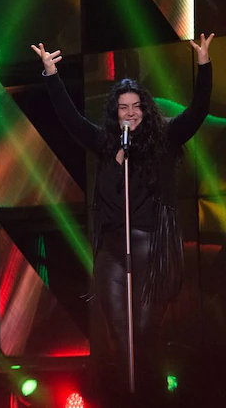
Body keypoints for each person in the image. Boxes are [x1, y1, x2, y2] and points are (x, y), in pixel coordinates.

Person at [31, 34, 213, 406]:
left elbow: (197, 111)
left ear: (145, 110)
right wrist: (51, 75)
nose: (129, 113)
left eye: (135, 107)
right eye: (122, 107)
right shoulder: (105, 143)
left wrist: (204, 67)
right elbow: (70, 120)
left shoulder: (166, 138)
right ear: (115, 113)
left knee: (144, 334)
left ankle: (151, 397)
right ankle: (129, 398)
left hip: (152, 248)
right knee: (122, 336)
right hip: (113, 251)